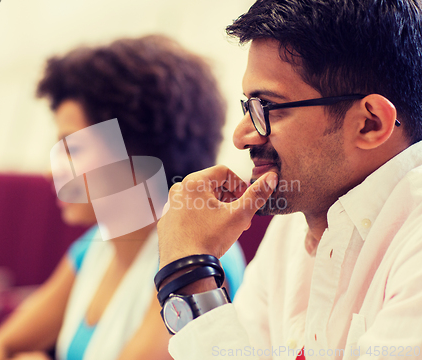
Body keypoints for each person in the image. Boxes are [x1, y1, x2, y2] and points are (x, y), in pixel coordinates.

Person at [0, 35, 246, 360]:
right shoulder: (96, 246)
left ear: (136, 151)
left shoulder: (199, 263)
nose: (52, 173)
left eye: (72, 148)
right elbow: (0, 345)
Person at [155, 0, 422, 359]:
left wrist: (189, 275)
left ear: (369, 123)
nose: (241, 136)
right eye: (248, 108)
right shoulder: (295, 225)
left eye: (266, 108)